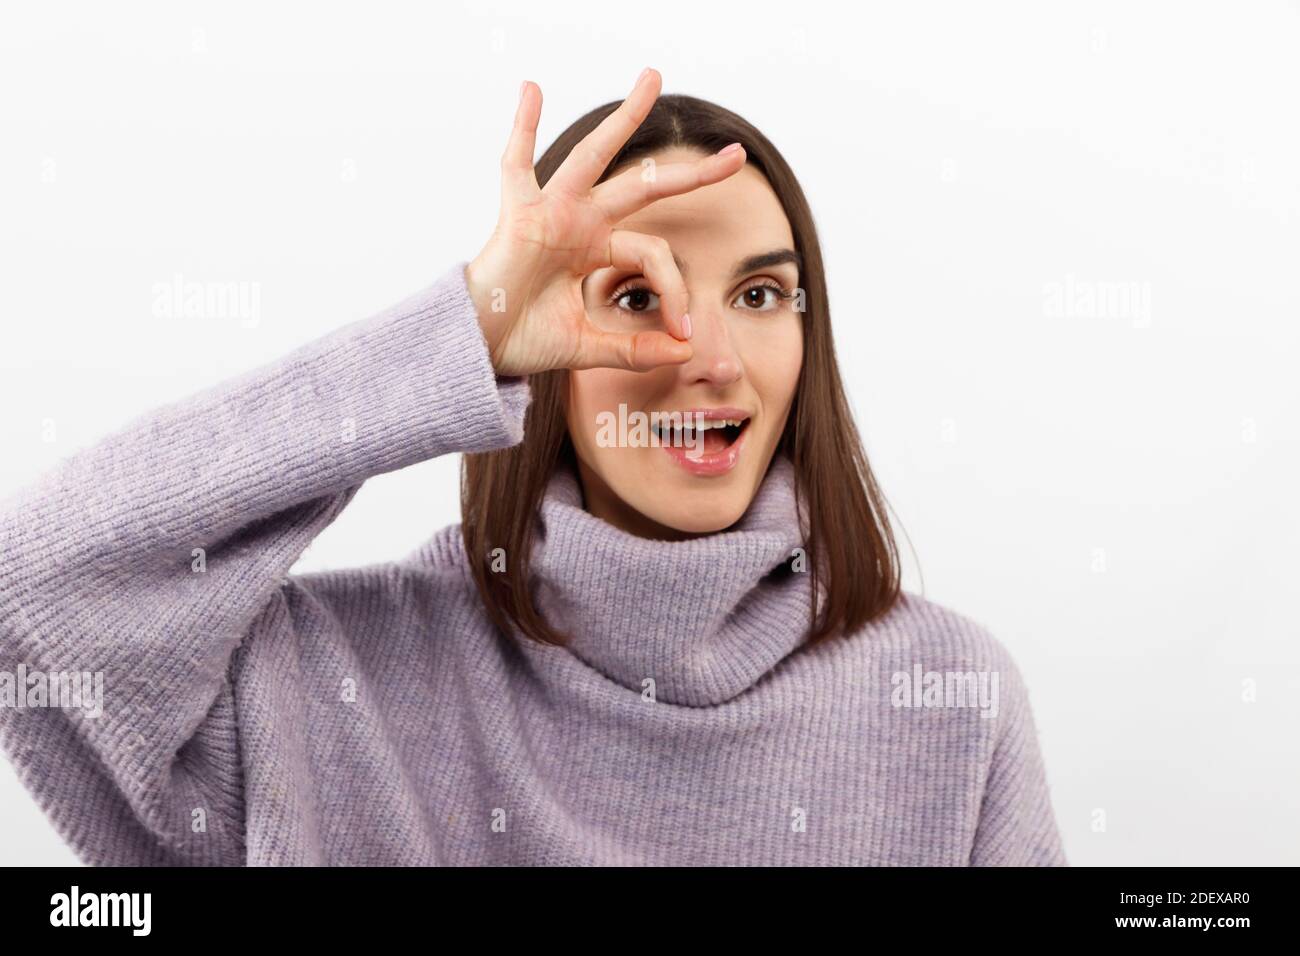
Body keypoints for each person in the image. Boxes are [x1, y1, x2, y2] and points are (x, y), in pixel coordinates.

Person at [0, 67, 1066, 865]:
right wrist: (467, 325)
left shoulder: (950, 703)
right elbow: (36, 588)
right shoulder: (338, 686)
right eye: (638, 297)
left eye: (759, 295)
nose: (710, 357)